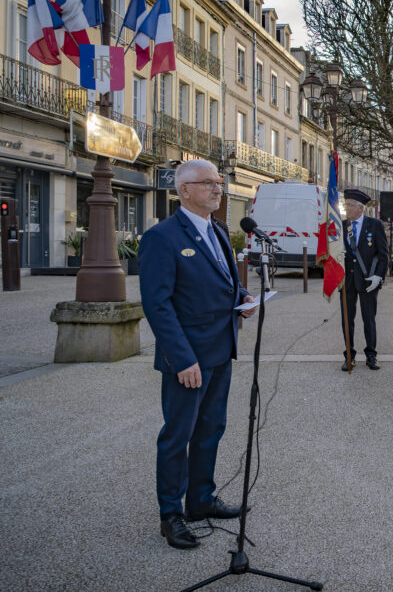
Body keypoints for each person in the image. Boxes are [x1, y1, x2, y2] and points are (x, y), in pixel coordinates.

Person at [140, 159, 256, 550]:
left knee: (211, 430)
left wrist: (243, 298)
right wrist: (182, 358)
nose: (217, 188)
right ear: (184, 190)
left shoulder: (218, 230)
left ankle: (201, 500)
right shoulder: (163, 237)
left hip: (221, 350)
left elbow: (224, 282)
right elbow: (158, 305)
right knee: (178, 436)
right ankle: (171, 515)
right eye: (207, 183)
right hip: (187, 358)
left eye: (218, 182)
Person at [342, 188, 390, 370]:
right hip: (346, 281)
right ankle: (349, 355)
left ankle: (371, 355)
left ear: (361, 208)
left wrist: (379, 276)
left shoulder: (374, 225)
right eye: (346, 204)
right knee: (347, 319)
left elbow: (383, 254)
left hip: (368, 280)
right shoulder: (341, 224)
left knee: (369, 319)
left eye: (351, 205)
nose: (347, 208)